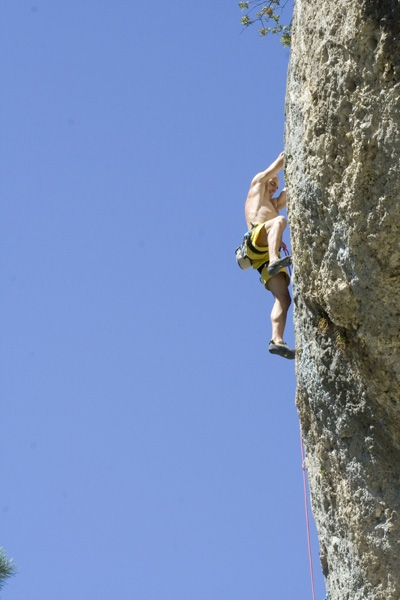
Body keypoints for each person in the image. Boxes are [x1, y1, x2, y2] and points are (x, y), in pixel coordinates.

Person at [243, 151, 295, 359]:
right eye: (272, 182)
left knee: (283, 298)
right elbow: (278, 164)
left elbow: (288, 194)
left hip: (262, 256)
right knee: (280, 221)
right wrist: (288, 155)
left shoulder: (273, 205)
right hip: (256, 240)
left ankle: (277, 340)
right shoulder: (257, 184)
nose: (273, 186)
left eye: (275, 185)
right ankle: (275, 260)